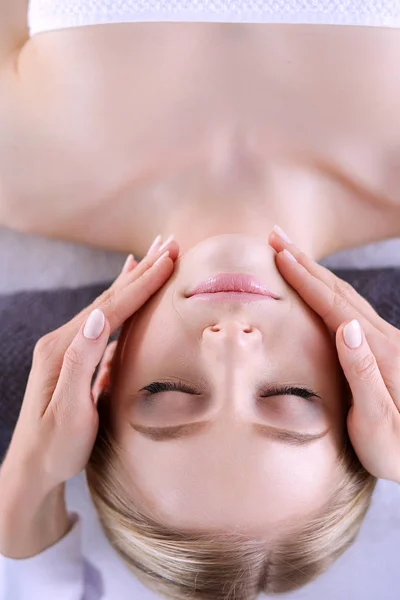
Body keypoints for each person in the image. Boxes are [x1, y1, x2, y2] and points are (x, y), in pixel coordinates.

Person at [0, 2, 400, 599]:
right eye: (289, 396)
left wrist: (28, 478)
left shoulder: (19, 172)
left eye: (169, 393)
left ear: (103, 376)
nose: (231, 346)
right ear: (360, 388)